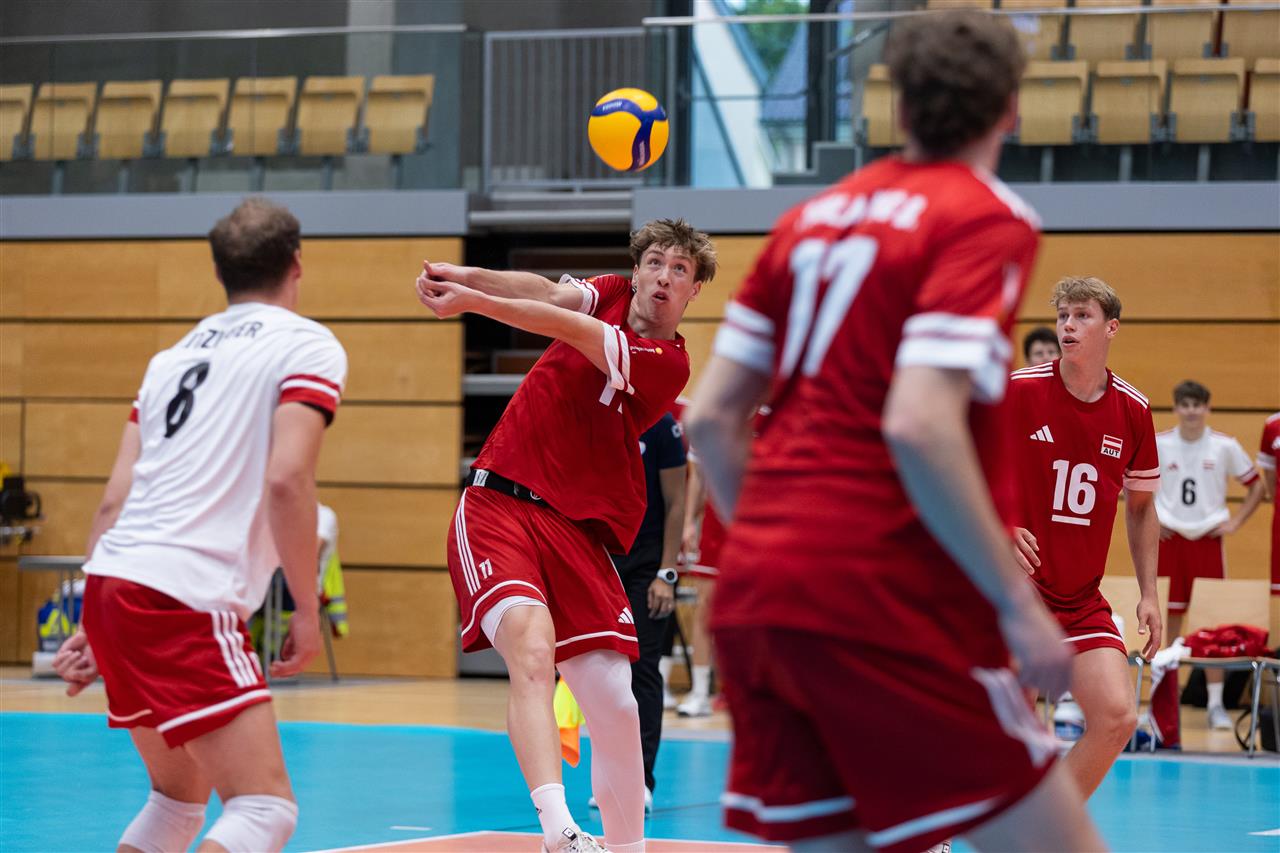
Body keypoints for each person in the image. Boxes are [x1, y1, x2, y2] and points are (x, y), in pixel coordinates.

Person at [685, 11, 1103, 852]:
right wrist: (1017, 603)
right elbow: (918, 421)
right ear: (1011, 108)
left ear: (899, 107)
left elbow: (711, 419)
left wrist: (780, 545)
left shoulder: (809, 219)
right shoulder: (984, 215)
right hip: (882, 596)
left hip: (761, 598)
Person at [51, 198, 346, 853]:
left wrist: (95, 622)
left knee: (175, 803)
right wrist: (307, 609)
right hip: (185, 595)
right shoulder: (306, 344)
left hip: (115, 583)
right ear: (297, 264)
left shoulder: (169, 360)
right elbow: (286, 480)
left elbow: (113, 501)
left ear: (220, 273)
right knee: (264, 808)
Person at [416, 219, 716, 853]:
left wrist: (472, 302)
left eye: (680, 270)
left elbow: (569, 328)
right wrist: (467, 275)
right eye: (655, 263)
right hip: (499, 505)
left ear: (694, 291)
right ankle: (560, 832)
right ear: (636, 270)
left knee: (618, 706)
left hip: (576, 533)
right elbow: (549, 295)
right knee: (531, 649)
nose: (663, 277)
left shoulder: (670, 363)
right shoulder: (610, 291)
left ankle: (628, 848)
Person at [1008, 276, 1162, 798]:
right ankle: (934, 827)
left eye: (1081, 316)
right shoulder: (1020, 389)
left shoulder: (1133, 410)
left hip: (1079, 597)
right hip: (1016, 589)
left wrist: (1149, 593)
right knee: (1004, 722)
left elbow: (1141, 507)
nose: (1068, 326)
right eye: (1063, 316)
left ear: (1111, 328)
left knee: (1118, 717)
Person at [1154, 381, 1263, 729]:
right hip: (1170, 538)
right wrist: (1152, 520)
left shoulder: (1224, 446)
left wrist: (1235, 522)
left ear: (1207, 408)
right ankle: (1161, 702)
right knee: (1165, 621)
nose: (1191, 411)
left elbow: (1257, 485)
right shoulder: (1159, 443)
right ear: (1175, 408)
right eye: (1185, 404)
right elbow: (1131, 481)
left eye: (1197, 404)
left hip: (1207, 540)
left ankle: (1216, 705)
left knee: (1210, 623)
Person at [596, 411, 686, 807]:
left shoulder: (663, 427)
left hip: (648, 566)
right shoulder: (597, 417)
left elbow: (677, 501)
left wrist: (667, 573)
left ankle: (640, 781)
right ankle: (608, 776)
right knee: (599, 670)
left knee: (642, 668)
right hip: (602, 558)